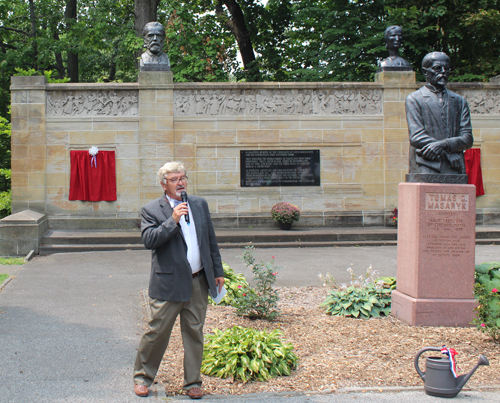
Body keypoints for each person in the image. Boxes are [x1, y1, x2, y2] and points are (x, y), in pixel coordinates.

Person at [133, 161, 224, 399]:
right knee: (157, 332)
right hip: (168, 283)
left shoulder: (199, 204)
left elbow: (210, 240)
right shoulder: (151, 209)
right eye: (174, 179)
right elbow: (149, 240)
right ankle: (142, 377)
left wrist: (217, 271)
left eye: (182, 178)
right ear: (164, 185)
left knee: (195, 332)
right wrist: (172, 220)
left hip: (198, 280)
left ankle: (193, 382)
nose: (180, 183)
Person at [405, 52, 473, 176]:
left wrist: (443, 145)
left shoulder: (459, 100)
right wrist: (447, 153)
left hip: (455, 167)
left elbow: (467, 138)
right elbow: (416, 136)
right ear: (425, 72)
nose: (443, 72)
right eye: (437, 68)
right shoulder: (415, 98)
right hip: (427, 163)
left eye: (447, 69)